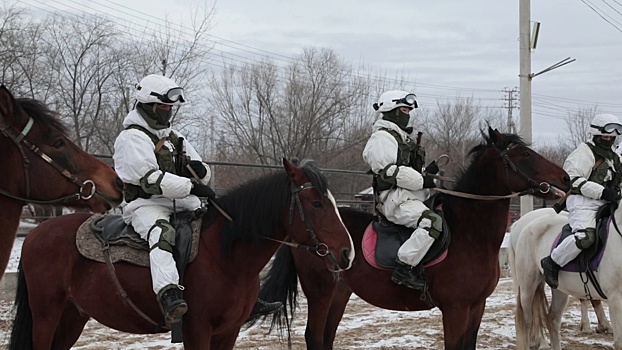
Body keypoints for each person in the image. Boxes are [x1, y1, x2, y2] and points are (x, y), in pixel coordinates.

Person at [113, 74, 282, 326]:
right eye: (164, 107)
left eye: (171, 107)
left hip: (180, 201)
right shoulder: (131, 138)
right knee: (162, 234)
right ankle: (168, 293)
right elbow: (148, 179)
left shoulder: (173, 136)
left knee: (222, 230)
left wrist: (201, 173)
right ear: (148, 106)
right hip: (145, 205)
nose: (168, 112)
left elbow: (201, 166)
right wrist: (190, 186)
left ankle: (244, 297)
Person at [362, 90, 442, 291]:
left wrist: (425, 172)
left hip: (410, 197)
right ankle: (404, 267)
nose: (407, 114)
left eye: (408, 110)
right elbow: (389, 171)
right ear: (390, 110)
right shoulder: (381, 138)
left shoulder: (401, 138)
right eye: (404, 109)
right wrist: (423, 180)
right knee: (432, 222)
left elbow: (407, 172)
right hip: (393, 200)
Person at [541, 113, 622, 289]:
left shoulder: (615, 156)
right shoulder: (583, 153)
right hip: (582, 202)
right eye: (606, 135)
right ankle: (552, 262)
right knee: (586, 237)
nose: (609, 138)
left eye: (613, 135)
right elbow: (573, 179)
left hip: (606, 202)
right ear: (596, 133)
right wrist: (602, 192)